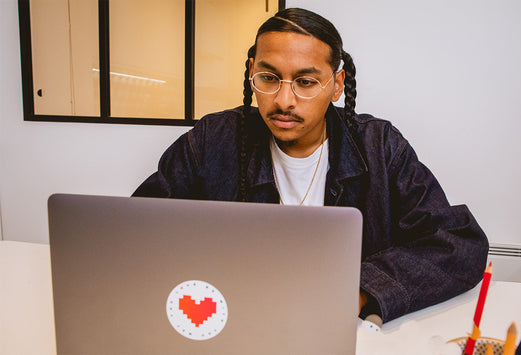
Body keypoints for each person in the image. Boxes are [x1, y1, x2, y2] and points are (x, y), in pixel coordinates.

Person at [133, 8, 488, 324]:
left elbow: (458, 242)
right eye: (269, 78)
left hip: (338, 330)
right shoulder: (214, 139)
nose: (283, 100)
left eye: (305, 82)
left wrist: (360, 291)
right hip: (234, 321)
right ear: (252, 75)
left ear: (336, 85)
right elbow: (135, 233)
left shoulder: (379, 145)